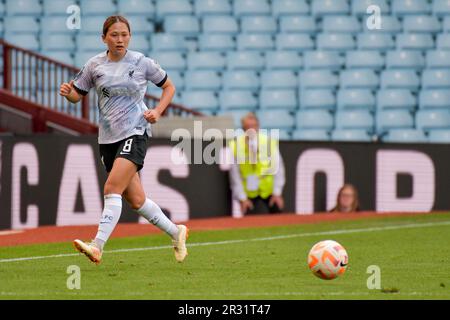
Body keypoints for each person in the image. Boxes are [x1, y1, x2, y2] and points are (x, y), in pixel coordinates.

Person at [59, 15, 188, 265]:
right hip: (108, 138)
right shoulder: (94, 65)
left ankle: (97, 246)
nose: (120, 39)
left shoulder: (141, 62)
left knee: (111, 188)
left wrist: (158, 111)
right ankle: (176, 232)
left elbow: (169, 86)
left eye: (124, 34)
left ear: (130, 36)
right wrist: (68, 93)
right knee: (136, 201)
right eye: (114, 35)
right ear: (104, 38)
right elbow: (78, 95)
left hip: (135, 132)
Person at [228, 112, 286, 215]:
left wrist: (277, 192)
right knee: (249, 217)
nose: (251, 129)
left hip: (268, 190)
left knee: (277, 211)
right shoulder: (236, 145)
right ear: (243, 128)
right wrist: (242, 198)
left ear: (258, 126)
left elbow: (278, 168)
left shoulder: (268, 142)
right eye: (248, 127)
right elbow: (235, 175)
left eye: (253, 126)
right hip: (249, 191)